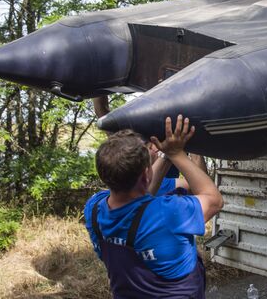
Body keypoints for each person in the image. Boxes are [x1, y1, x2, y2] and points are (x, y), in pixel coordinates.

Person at [84, 115, 223, 298]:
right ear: (145, 175)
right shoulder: (167, 213)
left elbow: (140, 196)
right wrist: (177, 153)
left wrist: (165, 156)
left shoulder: (93, 208)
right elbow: (214, 200)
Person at [93, 95, 196, 196]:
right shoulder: (167, 184)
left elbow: (103, 116)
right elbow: (204, 194)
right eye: (149, 143)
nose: (155, 146)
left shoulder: (97, 202)